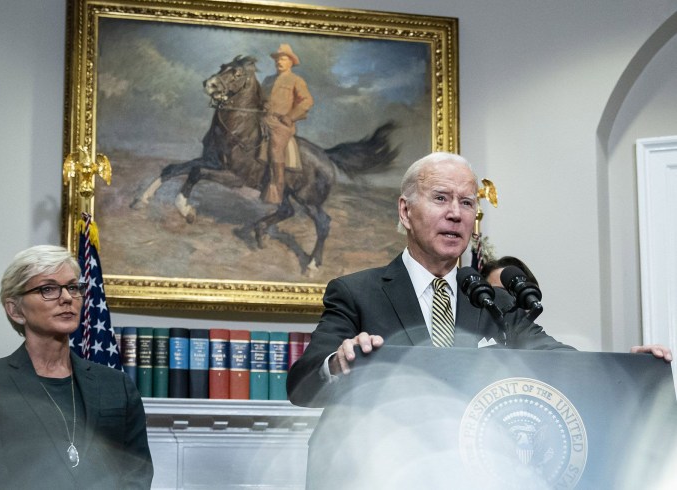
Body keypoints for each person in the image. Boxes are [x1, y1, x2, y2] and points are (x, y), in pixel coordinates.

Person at [286, 152, 672, 408]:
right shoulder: (356, 293)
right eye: (441, 198)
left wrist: (626, 370)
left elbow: (558, 362)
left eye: (467, 203)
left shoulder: (494, 301)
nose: (456, 214)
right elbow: (302, 386)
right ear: (406, 211)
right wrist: (338, 363)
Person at [0, 245, 153, 489]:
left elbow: (138, 472)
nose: (67, 298)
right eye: (48, 289)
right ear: (16, 310)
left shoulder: (117, 384)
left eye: (73, 287)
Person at [260, 43, 314, 204]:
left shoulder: (296, 80)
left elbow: (307, 101)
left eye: (283, 59)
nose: (279, 62)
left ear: (291, 62)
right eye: (277, 59)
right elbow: (261, 99)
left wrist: (290, 117)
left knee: (276, 147)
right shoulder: (268, 80)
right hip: (263, 118)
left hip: (281, 124)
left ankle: (277, 188)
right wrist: (262, 105)